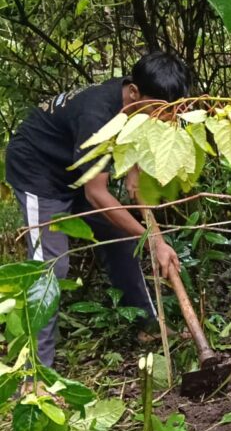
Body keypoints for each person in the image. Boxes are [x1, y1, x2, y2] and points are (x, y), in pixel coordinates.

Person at [5, 51, 190, 369]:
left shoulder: (140, 114)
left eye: (171, 112)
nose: (165, 119)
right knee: (49, 269)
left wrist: (153, 235)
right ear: (134, 92)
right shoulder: (97, 116)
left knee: (121, 236)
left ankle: (151, 327)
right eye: (159, 109)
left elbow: (136, 187)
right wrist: (155, 243)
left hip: (77, 173)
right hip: (39, 172)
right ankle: (35, 373)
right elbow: (96, 194)